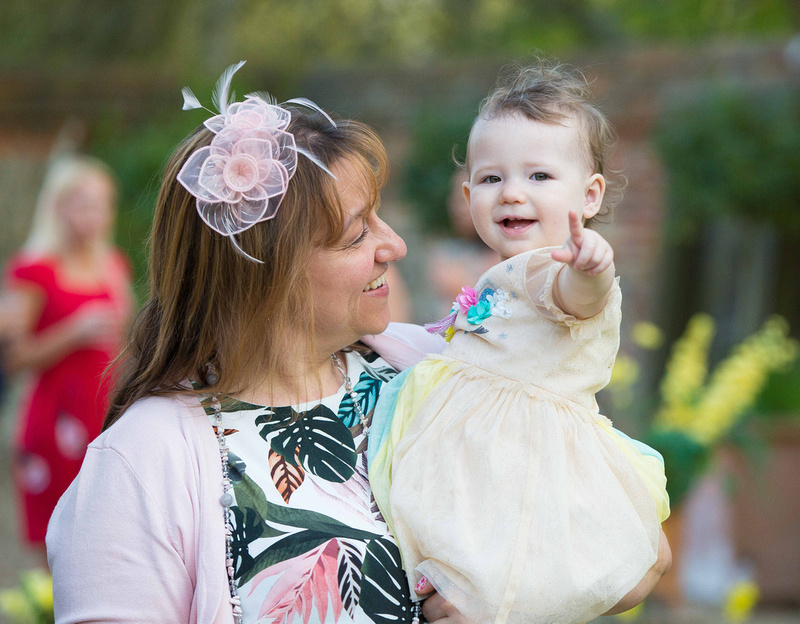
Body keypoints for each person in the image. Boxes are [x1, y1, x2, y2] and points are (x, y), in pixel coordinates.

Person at [44, 63, 465, 624]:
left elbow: (601, 536)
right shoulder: (138, 465)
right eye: (357, 232)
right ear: (268, 272)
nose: (396, 245)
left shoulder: (436, 373)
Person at [369, 60, 671, 624]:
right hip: (478, 443)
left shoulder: (551, 268)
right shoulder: (503, 271)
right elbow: (455, 345)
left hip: (524, 451)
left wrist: (591, 268)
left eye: (538, 177)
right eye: (491, 179)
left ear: (589, 196)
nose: (511, 193)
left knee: (513, 569)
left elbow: (577, 296)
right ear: (468, 195)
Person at [3, 155, 132, 546]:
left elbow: (122, 344)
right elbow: (12, 359)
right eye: (85, 204)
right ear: (59, 206)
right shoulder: (33, 270)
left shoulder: (114, 266)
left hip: (104, 413)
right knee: (55, 537)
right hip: (54, 419)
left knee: (104, 535)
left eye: (103, 204)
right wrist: (72, 332)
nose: (96, 215)